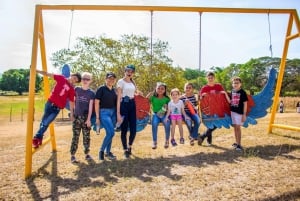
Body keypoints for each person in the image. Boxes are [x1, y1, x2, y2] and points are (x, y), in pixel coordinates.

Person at [32, 70, 81, 148]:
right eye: (74, 78)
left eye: (76, 81)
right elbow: (48, 74)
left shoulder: (71, 89)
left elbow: (72, 102)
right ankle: (39, 137)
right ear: (71, 75)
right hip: (49, 103)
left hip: (57, 109)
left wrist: (72, 113)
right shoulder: (61, 78)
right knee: (44, 121)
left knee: (46, 122)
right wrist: (36, 71)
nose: (74, 80)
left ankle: (36, 137)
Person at [70, 72, 94, 163]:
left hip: (85, 118)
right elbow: (72, 101)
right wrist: (72, 114)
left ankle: (87, 154)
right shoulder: (76, 89)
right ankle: (72, 155)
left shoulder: (91, 93)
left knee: (86, 137)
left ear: (90, 81)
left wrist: (88, 119)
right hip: (76, 117)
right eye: (83, 78)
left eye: (87, 79)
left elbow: (91, 106)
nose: (85, 80)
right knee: (75, 137)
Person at [198, 71, 227, 146]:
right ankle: (209, 141)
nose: (210, 79)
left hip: (218, 108)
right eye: (209, 78)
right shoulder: (204, 88)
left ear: (214, 78)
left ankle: (202, 136)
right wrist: (202, 95)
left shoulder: (218, 86)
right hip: (208, 109)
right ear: (207, 78)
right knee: (210, 123)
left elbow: (223, 94)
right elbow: (200, 98)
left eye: (212, 78)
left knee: (217, 123)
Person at [117, 64, 138, 158]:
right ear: (125, 71)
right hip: (123, 105)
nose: (129, 73)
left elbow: (134, 93)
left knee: (133, 129)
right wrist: (118, 112)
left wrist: (139, 94)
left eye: (131, 71)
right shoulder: (120, 82)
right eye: (128, 71)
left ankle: (130, 146)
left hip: (132, 104)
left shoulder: (133, 83)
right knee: (124, 129)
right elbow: (118, 97)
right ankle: (125, 149)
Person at [95, 72, 118, 160]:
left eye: (113, 79)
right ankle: (101, 150)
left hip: (113, 113)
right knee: (111, 132)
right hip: (104, 113)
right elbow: (96, 103)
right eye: (109, 78)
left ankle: (108, 153)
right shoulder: (101, 89)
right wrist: (97, 117)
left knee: (109, 133)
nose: (111, 80)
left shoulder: (114, 90)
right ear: (106, 79)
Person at [224, 77, 248, 151]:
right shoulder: (232, 91)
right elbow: (230, 102)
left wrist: (244, 114)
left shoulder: (243, 92)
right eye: (234, 83)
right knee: (235, 128)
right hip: (233, 112)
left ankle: (239, 144)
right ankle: (236, 142)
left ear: (240, 84)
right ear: (232, 84)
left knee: (238, 128)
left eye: (237, 83)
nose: (236, 84)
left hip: (239, 113)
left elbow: (245, 104)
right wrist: (225, 93)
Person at [146, 82, 171, 149]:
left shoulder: (167, 99)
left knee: (167, 123)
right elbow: (146, 100)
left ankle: (167, 140)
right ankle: (154, 142)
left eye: (162, 89)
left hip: (164, 114)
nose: (160, 90)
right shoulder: (153, 97)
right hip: (155, 114)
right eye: (158, 88)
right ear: (156, 89)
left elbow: (170, 107)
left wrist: (166, 107)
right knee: (154, 123)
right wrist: (149, 94)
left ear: (165, 90)